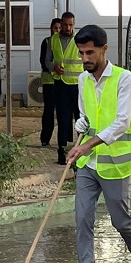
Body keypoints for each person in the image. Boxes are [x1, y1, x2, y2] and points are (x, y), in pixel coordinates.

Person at [64, 24, 131, 263]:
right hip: (89, 163)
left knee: (120, 221)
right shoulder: (83, 80)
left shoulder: (124, 79)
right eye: (81, 53)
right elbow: (86, 115)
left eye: (90, 52)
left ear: (104, 49)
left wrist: (86, 145)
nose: (85, 58)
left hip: (116, 163)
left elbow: (121, 122)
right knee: (82, 218)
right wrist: (81, 124)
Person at [46, 12, 80, 165]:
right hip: (61, 85)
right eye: (65, 24)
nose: (68, 27)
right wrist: (54, 66)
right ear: (61, 23)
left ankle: (82, 153)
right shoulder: (53, 40)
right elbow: (47, 61)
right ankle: (62, 154)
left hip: (78, 85)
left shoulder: (79, 39)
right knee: (63, 120)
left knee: (81, 120)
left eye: (70, 25)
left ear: (74, 24)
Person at [39, 18, 62, 146]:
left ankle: (63, 140)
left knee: (62, 111)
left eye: (59, 28)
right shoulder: (47, 42)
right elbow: (43, 62)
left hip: (62, 81)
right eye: (55, 28)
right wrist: (54, 69)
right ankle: (45, 139)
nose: (57, 30)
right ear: (51, 29)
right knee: (48, 111)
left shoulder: (65, 43)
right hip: (49, 82)